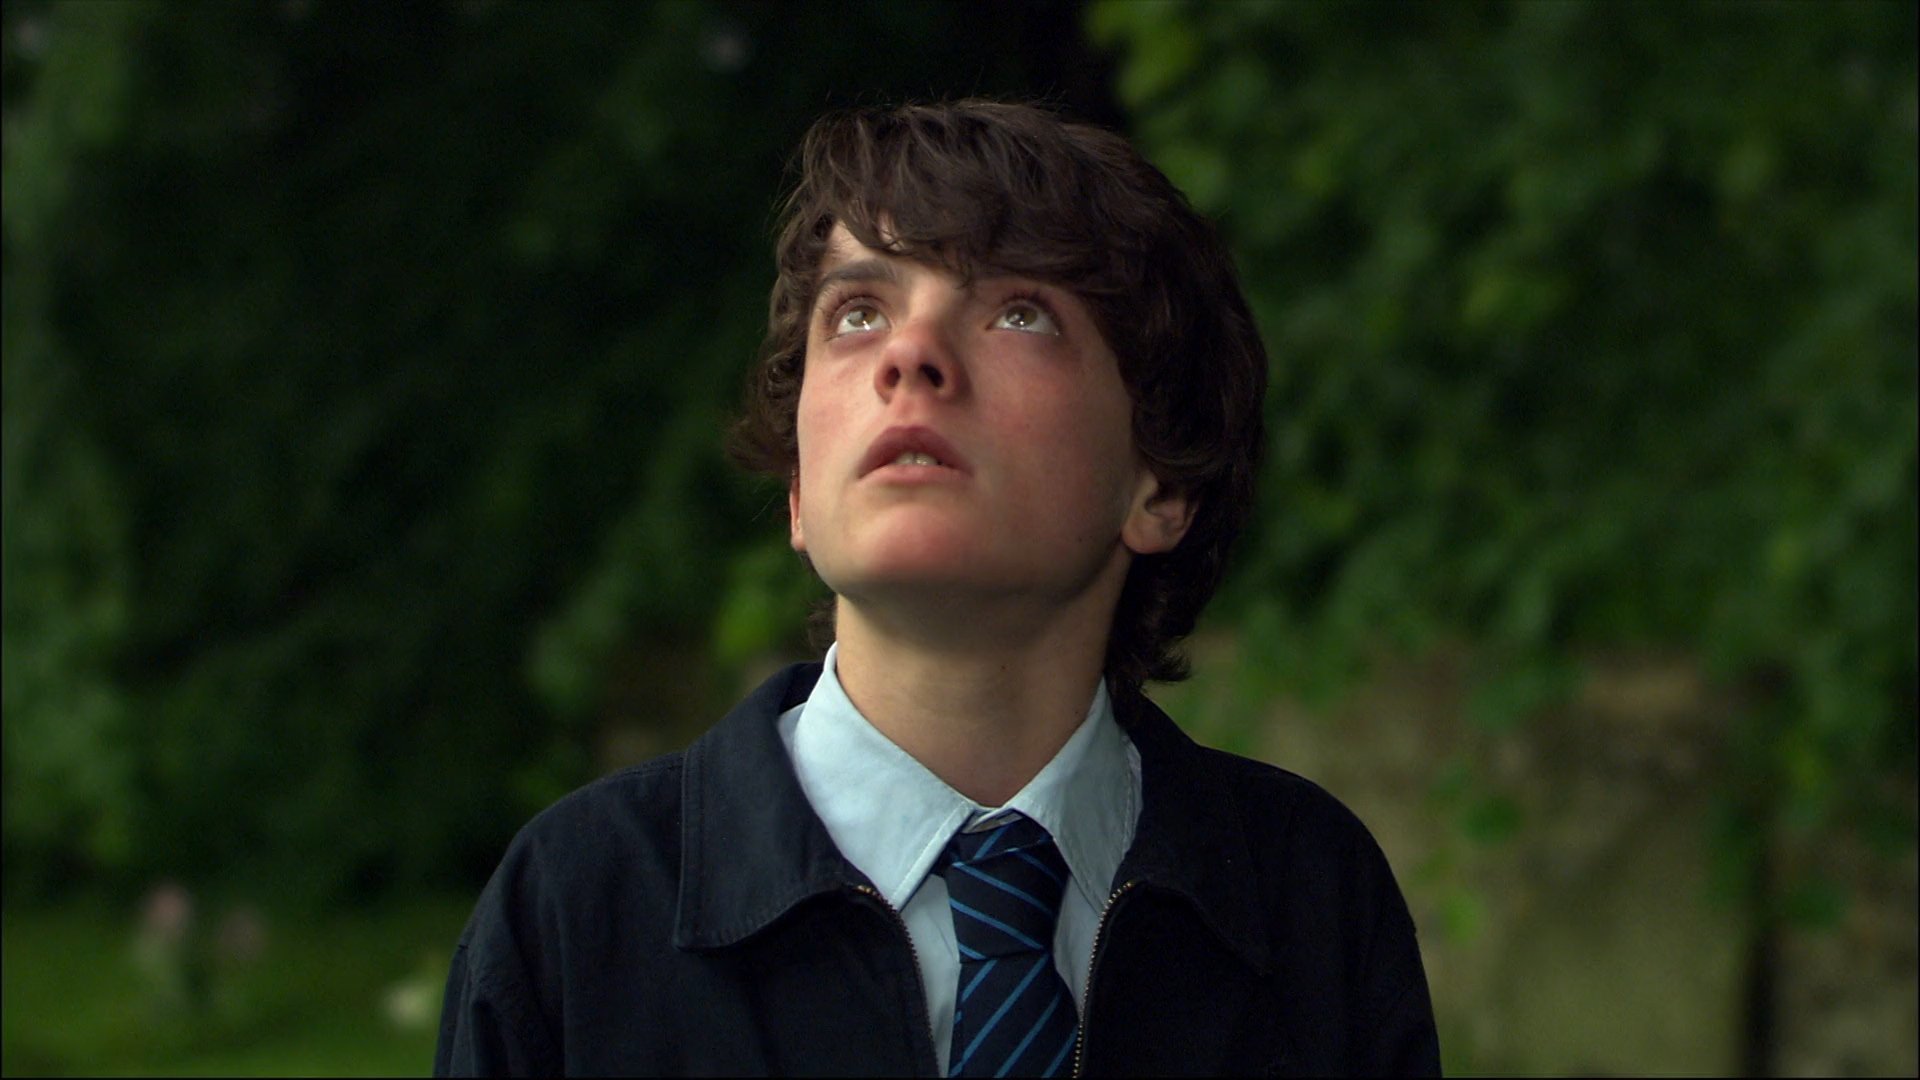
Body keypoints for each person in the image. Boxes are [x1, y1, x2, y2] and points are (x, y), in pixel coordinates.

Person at [435, 99, 1439, 1077]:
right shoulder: (576, 910)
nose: (909, 355)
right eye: (858, 314)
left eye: (1019, 313)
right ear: (798, 488)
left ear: (1160, 482)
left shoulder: (1308, 900)